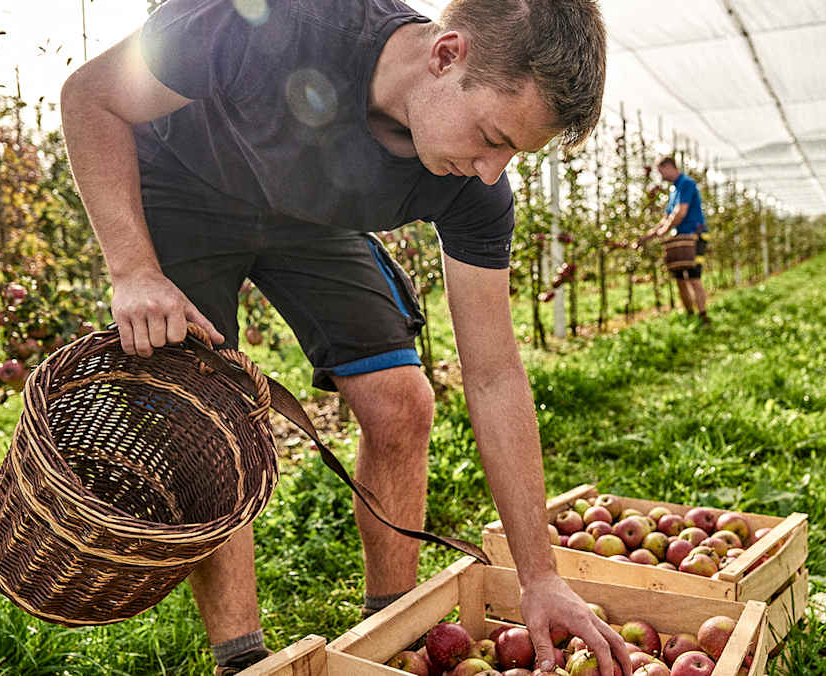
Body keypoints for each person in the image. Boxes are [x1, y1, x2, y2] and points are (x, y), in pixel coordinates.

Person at [59, 0, 632, 674]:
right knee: (206, 422)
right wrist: (132, 270)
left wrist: (539, 577)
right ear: (445, 55)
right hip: (187, 183)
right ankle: (241, 657)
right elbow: (90, 96)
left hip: (311, 216)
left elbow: (494, 372)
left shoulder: (473, 189)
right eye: (492, 137)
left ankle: (390, 629)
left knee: (401, 402)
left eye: (512, 154)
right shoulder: (267, 20)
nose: (491, 171)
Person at [639, 156, 709, 325]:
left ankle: (703, 316)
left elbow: (680, 212)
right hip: (679, 239)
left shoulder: (686, 183)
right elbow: (666, 218)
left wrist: (664, 231)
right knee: (679, 279)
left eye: (661, 171)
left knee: (694, 277)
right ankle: (690, 315)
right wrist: (647, 236)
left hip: (694, 236)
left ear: (669, 166)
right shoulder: (673, 190)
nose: (660, 176)